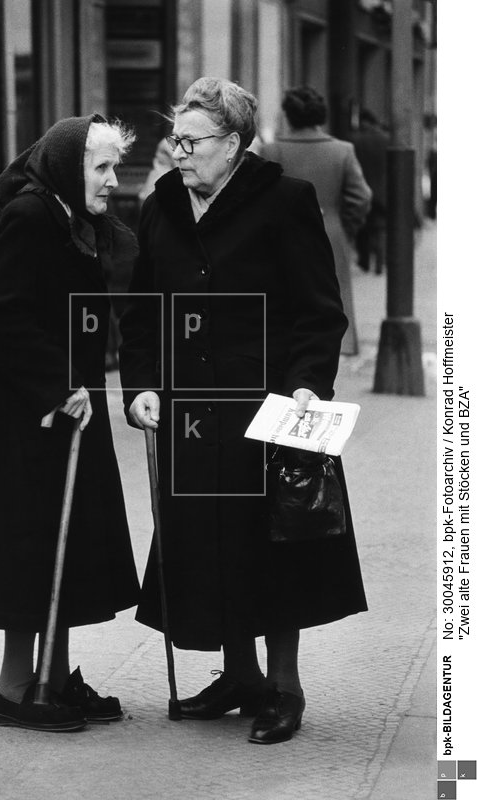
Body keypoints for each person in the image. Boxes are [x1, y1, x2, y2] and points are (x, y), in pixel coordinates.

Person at [118, 77, 367, 745]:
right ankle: (239, 676)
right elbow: (140, 310)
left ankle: (284, 688)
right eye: (173, 137)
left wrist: (307, 385)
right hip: (191, 413)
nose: (176, 151)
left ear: (230, 145)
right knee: (209, 544)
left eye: (190, 140)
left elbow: (319, 310)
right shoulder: (161, 206)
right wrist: (140, 384)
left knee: (276, 544)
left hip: (269, 405)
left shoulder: (284, 200)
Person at [0, 114, 141, 732]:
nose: (112, 181)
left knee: (69, 538)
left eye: (115, 168)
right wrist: (57, 388)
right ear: (65, 165)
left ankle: (54, 678)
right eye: (101, 167)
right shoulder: (28, 217)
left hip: (67, 408)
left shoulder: (74, 220)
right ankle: (12, 690)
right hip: (29, 416)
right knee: (30, 545)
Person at [260, 86, 372, 355]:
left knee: (283, 294)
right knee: (333, 294)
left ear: (288, 115)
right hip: (330, 230)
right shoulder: (343, 150)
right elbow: (361, 197)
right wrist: (345, 225)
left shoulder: (271, 151)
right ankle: (340, 346)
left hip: (280, 235)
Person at [350, 109, 390, 274]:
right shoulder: (386, 140)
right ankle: (380, 262)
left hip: (361, 188)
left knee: (363, 227)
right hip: (382, 191)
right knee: (380, 227)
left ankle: (365, 261)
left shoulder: (356, 141)